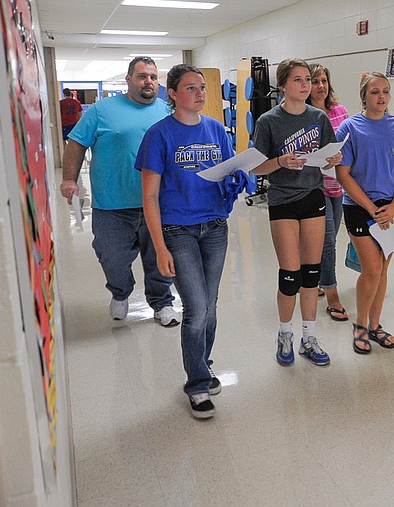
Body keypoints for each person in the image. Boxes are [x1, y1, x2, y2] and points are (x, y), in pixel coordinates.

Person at [137, 64, 252, 419]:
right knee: (197, 308)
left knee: (211, 305)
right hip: (178, 231)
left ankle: (203, 362)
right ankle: (197, 383)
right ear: (171, 93)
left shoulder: (217, 129)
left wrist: (236, 179)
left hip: (215, 226)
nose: (200, 93)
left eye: (202, 87)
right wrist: (158, 247)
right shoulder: (159, 135)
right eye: (191, 88)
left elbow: (226, 169)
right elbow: (150, 197)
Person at [60, 57, 179, 326]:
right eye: (141, 76)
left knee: (160, 257)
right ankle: (120, 293)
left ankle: (162, 303)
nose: (148, 81)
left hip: (159, 204)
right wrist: (69, 179)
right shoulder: (102, 110)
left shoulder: (166, 111)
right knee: (111, 258)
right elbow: (76, 144)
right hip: (112, 205)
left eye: (153, 76)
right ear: (128, 79)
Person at [251, 58, 343, 367]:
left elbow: (328, 159)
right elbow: (255, 166)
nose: (305, 85)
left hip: (312, 196)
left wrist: (333, 159)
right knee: (290, 275)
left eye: (308, 80)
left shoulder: (318, 118)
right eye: (298, 80)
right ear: (283, 86)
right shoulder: (268, 121)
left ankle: (309, 337)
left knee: (311, 274)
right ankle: (285, 334)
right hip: (283, 200)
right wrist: (280, 162)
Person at [335, 72, 394, 354]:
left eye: (385, 91)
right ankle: (359, 325)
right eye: (374, 92)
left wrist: (393, 207)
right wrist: (372, 209)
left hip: (392, 208)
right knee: (370, 269)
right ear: (364, 96)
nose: (381, 97)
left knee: (383, 269)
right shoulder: (349, 128)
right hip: (360, 207)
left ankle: (375, 325)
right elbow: (343, 174)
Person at [306, 63, 350, 322]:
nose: (320, 86)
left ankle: (320, 281)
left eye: (324, 80)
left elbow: (349, 142)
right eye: (315, 81)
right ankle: (333, 296)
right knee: (329, 241)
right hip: (316, 186)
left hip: (339, 186)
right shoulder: (305, 115)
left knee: (328, 239)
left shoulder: (339, 111)